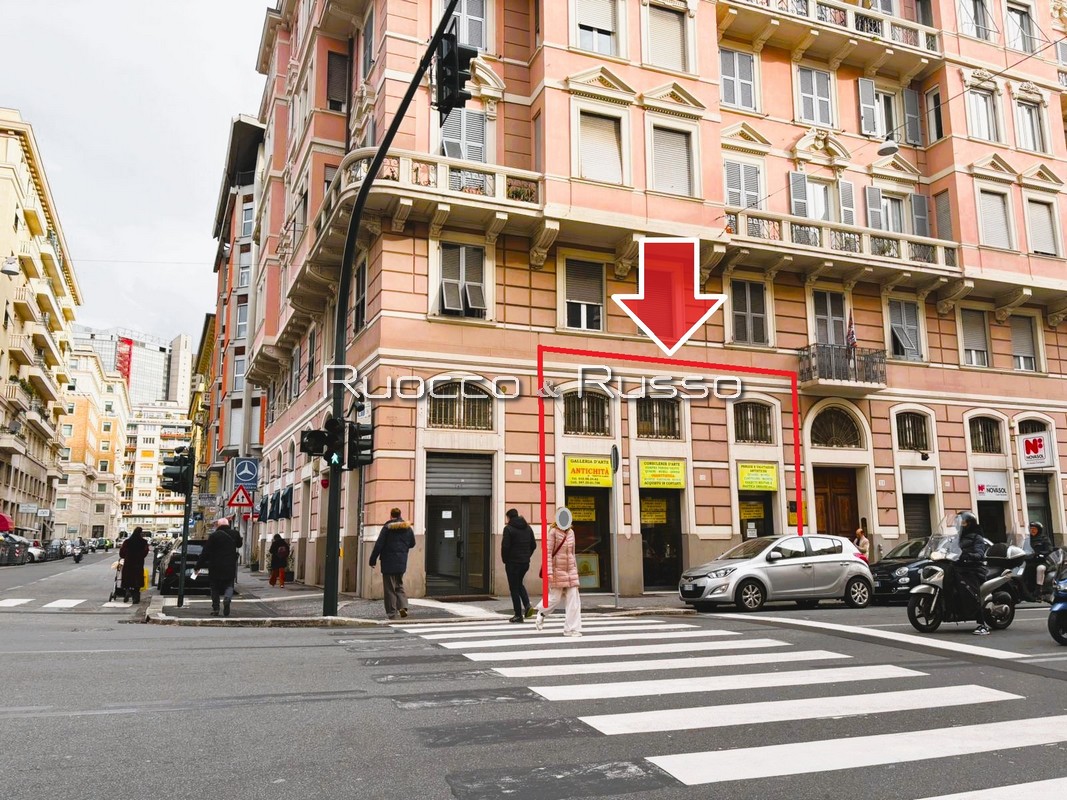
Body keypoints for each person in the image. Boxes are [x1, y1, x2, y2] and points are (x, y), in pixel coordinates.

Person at [534, 515, 582, 637]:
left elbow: (572, 553)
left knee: (574, 601)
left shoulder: (571, 533)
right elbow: (547, 553)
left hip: (570, 571)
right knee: (555, 598)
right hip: (557, 570)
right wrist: (549, 572)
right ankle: (541, 612)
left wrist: (575, 571)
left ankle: (571, 629)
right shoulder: (553, 532)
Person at [369, 508, 415, 620]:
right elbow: (412, 543)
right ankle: (403, 607)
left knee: (389, 588)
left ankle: (392, 613)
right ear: (400, 515)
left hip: (388, 562)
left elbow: (379, 545)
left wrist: (372, 560)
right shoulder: (408, 528)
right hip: (401, 562)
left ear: (391, 515)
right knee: (399, 585)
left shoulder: (387, 528)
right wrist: (403, 548)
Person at [197, 517, 243, 617]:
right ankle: (227, 598)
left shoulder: (214, 536)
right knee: (229, 585)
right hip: (230, 565)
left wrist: (198, 566)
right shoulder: (235, 533)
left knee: (215, 587)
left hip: (215, 566)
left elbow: (205, 552)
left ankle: (216, 608)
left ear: (218, 525)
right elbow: (239, 545)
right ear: (228, 524)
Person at [956, 511, 992, 635]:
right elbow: (949, 549)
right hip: (959, 568)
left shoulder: (977, 537)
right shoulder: (956, 537)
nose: (960, 524)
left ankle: (982, 625)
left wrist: (969, 556)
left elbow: (980, 553)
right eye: (959, 522)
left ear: (970, 523)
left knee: (971, 591)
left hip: (973, 569)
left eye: (963, 522)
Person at [501, 508, 537, 623]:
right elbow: (534, 545)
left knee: (514, 588)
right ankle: (527, 605)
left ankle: (518, 615)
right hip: (525, 563)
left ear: (509, 517)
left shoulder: (508, 529)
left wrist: (505, 560)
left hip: (512, 563)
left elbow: (505, 547)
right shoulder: (528, 528)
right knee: (519, 584)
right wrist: (527, 556)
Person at [1023, 521, 1053, 601]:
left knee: (1040, 568)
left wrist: (1041, 554)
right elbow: (1023, 549)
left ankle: (1039, 590)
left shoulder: (1044, 539)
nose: (1032, 530)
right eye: (1031, 529)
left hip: (1042, 561)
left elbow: (1049, 550)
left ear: (1039, 530)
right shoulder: (1027, 540)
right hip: (1030, 561)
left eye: (1034, 529)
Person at [118, 527, 150, 604]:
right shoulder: (144, 542)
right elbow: (145, 552)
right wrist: (140, 556)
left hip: (128, 563)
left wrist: (125, 556)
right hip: (138, 563)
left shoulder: (127, 542)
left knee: (127, 578)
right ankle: (136, 597)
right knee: (137, 580)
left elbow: (122, 552)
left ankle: (127, 591)